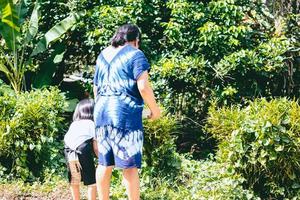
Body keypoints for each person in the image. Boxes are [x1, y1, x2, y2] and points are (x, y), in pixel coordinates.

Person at [93, 24, 161, 200]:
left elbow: (96, 88)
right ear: (136, 40)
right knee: (129, 165)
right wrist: (154, 110)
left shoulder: (102, 55)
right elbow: (143, 86)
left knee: (104, 162)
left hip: (101, 112)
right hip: (123, 114)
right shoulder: (135, 54)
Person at [64, 99, 98, 200]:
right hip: (82, 149)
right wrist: (101, 160)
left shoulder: (74, 124)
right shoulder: (92, 124)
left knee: (74, 180)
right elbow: (96, 147)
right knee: (92, 181)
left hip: (68, 149)